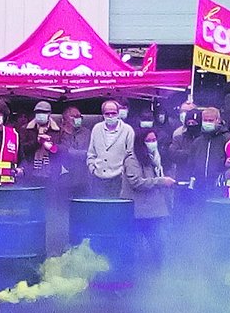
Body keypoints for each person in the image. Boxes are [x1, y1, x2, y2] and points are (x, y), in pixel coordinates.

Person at [122, 129, 177, 268]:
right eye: (148, 140)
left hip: (154, 210)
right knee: (138, 246)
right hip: (139, 211)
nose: (152, 143)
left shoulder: (154, 157)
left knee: (159, 246)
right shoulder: (132, 159)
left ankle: (156, 271)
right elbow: (136, 182)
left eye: (154, 140)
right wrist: (161, 181)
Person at [86, 100, 135, 198]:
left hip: (118, 178)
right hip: (98, 177)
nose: (110, 116)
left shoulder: (127, 130)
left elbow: (131, 154)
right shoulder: (96, 128)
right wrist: (92, 168)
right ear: (103, 114)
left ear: (118, 113)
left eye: (113, 113)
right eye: (107, 113)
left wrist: (123, 171)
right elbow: (91, 152)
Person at [20, 100, 61, 183]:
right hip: (30, 173)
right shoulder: (26, 129)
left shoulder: (57, 130)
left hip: (51, 174)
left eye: (44, 112)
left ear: (49, 114)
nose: (41, 114)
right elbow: (22, 149)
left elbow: (63, 150)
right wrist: (37, 142)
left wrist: (51, 146)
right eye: (38, 112)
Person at [166, 108, 202, 180]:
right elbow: (173, 154)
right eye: (189, 123)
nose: (191, 125)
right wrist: (193, 153)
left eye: (194, 123)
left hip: (200, 177)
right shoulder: (179, 138)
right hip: (182, 177)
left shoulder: (204, 139)